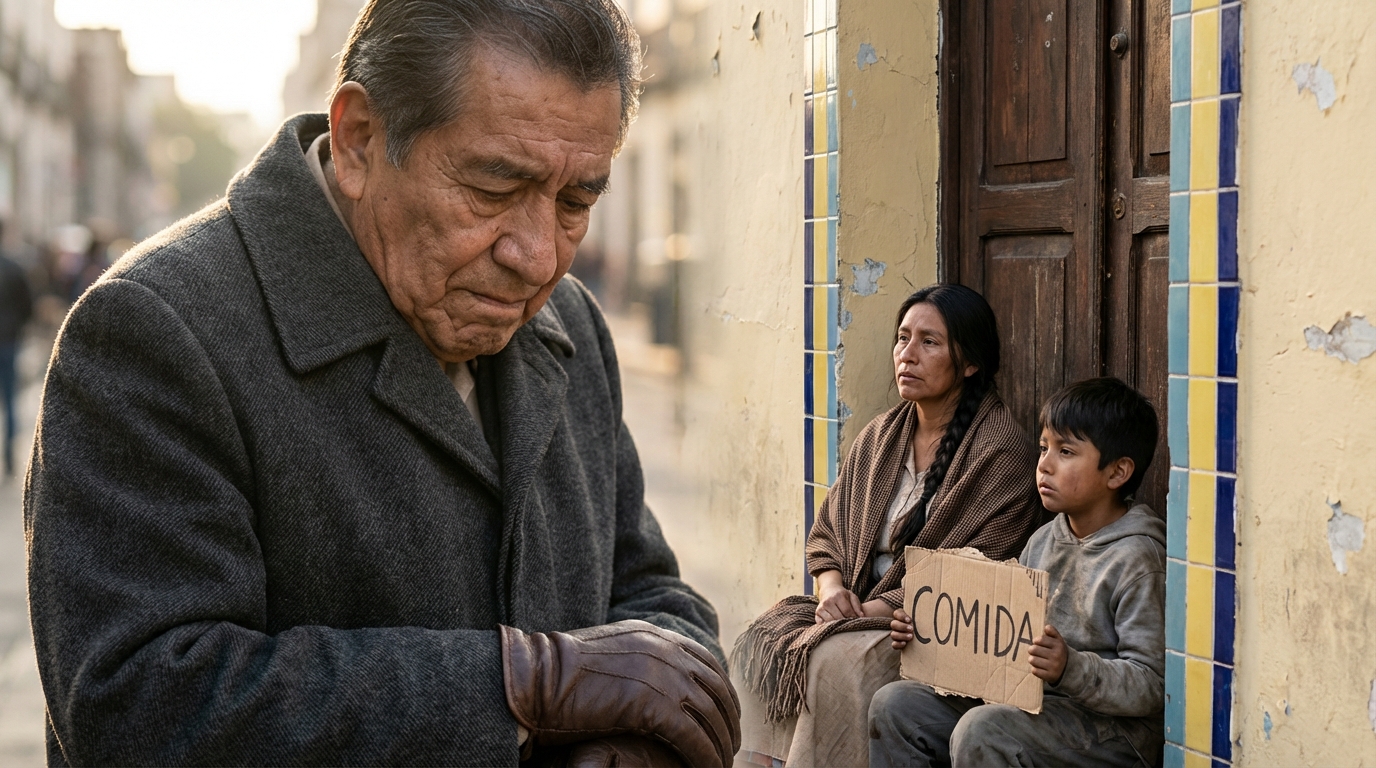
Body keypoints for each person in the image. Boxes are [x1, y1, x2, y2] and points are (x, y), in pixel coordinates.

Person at [25, 1, 740, 765]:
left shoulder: (567, 322)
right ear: (360, 140)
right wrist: (522, 684)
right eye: (494, 188)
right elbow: (142, 704)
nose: (537, 257)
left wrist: (636, 736)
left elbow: (651, 598)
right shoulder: (155, 329)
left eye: (576, 202)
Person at [731, 284, 1043, 767]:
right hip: (854, 608)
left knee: (835, 661)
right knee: (761, 645)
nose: (907, 354)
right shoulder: (881, 434)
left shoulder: (999, 453)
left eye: (929, 342)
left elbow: (980, 573)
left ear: (969, 363)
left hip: (926, 631)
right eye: (903, 338)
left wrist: (865, 611)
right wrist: (832, 589)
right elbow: (828, 533)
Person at [870, 376, 1166, 767]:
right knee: (896, 704)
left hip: (1111, 731)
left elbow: (1152, 685)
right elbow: (1003, 642)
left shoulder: (1138, 558)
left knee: (983, 731)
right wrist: (928, 635)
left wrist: (1070, 668)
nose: (1045, 465)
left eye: (1066, 452)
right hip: (1034, 705)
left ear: (1117, 473)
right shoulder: (1042, 541)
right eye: (1044, 448)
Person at [0, 225, 33, 479]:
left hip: (9, 338)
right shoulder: (13, 268)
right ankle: (9, 458)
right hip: (9, 339)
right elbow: (27, 306)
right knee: (10, 399)